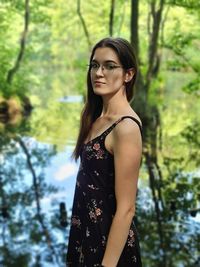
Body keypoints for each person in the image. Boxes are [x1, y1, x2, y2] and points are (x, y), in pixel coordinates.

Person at [66, 37, 142, 267]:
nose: (99, 73)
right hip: (85, 233)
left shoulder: (125, 127)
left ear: (128, 75)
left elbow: (127, 209)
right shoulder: (96, 117)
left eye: (110, 66)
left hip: (108, 246)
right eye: (94, 65)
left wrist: (106, 265)